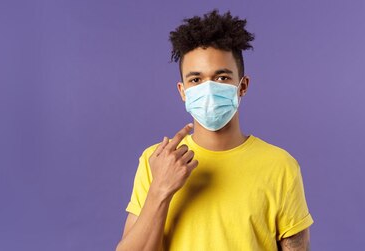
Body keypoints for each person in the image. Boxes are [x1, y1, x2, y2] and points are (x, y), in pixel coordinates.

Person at [116, 9, 314, 251]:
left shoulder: (281, 166)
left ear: (242, 86)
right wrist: (160, 189)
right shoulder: (156, 161)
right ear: (182, 91)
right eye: (196, 80)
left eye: (221, 78)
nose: (208, 90)